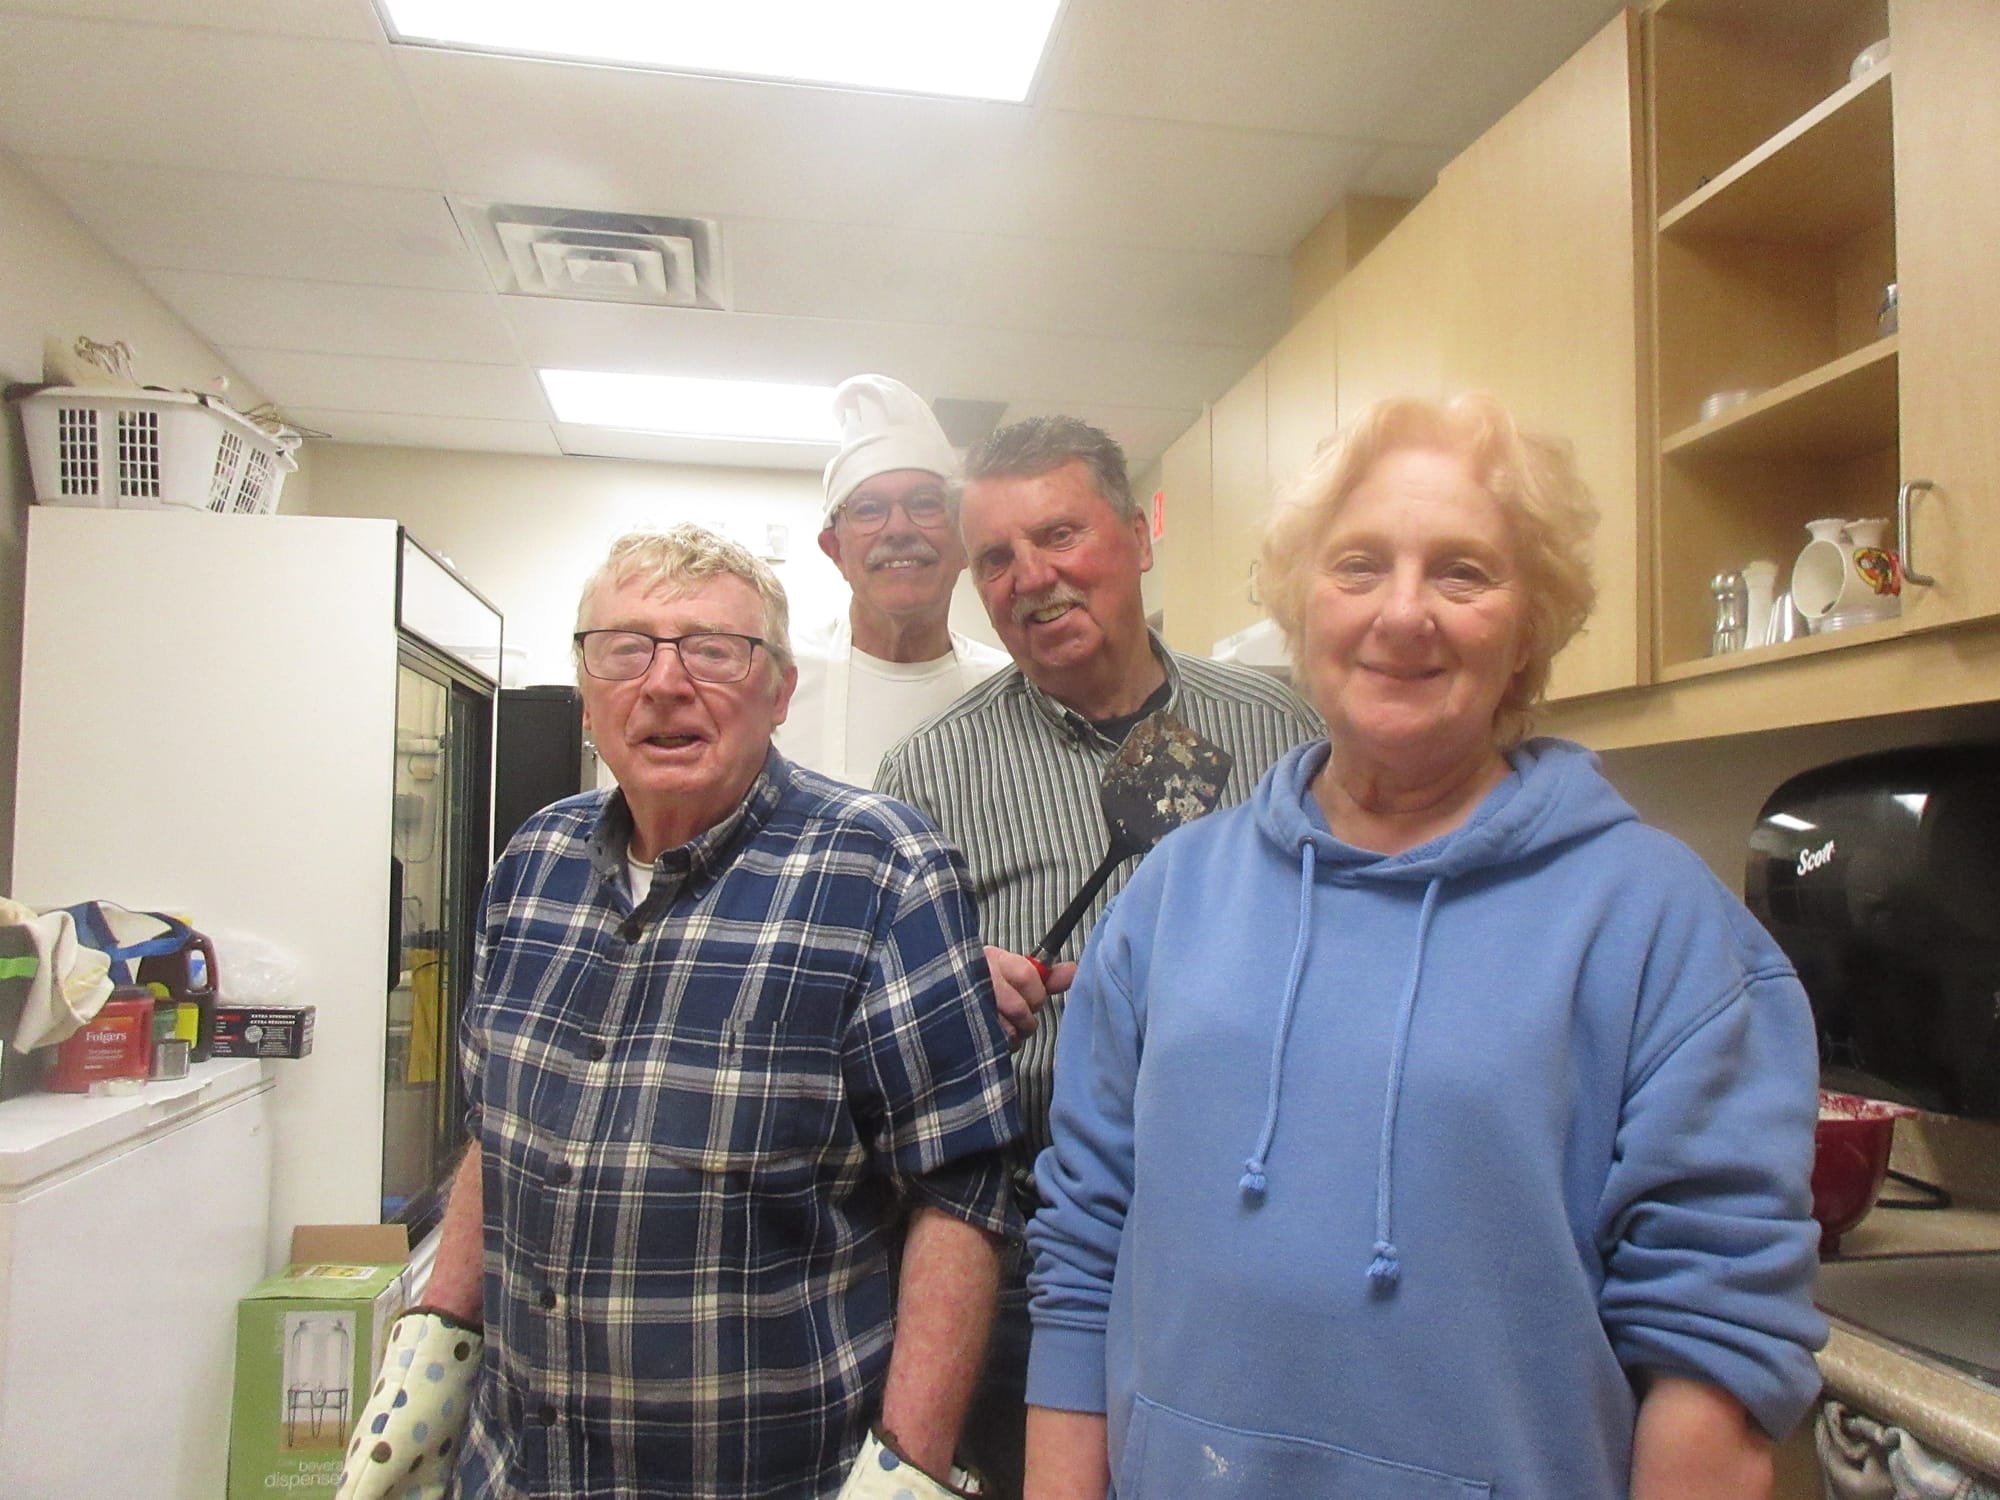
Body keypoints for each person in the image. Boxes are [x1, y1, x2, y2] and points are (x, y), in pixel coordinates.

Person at [1023, 394, 1828, 1499]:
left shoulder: (1657, 927)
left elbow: (1713, 1350)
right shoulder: (1171, 899)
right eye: (1357, 566)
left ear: (1529, 629)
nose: (1403, 614)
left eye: (1462, 573)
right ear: (1298, 608)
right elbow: (1080, 1253)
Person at [337, 525, 1021, 1500]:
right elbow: (500, 1134)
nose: (663, 682)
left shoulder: (879, 869)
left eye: (711, 649)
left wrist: (907, 1471)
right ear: (585, 688)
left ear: (779, 692)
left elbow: (960, 1194)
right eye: (625, 648)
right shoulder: (531, 866)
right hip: (513, 1471)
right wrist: (429, 1364)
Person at [877, 416, 1320, 1497]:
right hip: (1028, 1258)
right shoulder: (928, 769)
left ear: (1134, 536)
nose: (1032, 577)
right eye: (996, 558)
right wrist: (946, 997)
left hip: (1254, 1239)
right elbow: (876, 1042)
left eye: (1061, 534)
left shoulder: (1286, 732)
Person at [777, 373, 1009, 786]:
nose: (898, 529)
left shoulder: (1011, 687)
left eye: (925, 504)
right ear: (836, 550)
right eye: (868, 509)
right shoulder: (776, 681)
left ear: (964, 543)